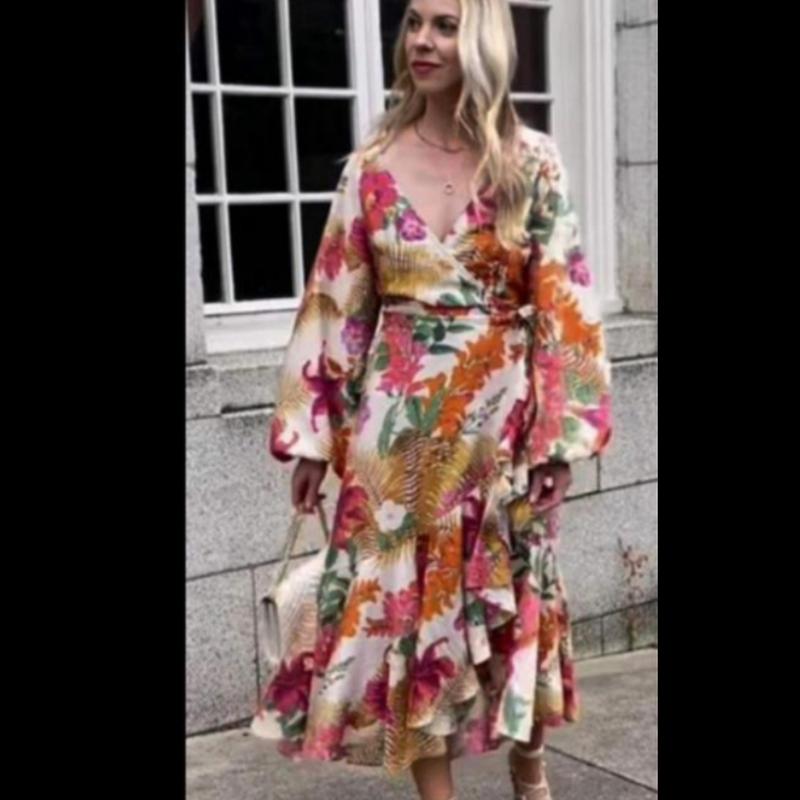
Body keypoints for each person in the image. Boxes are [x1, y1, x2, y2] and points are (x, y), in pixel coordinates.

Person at [252, 2, 612, 798]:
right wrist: (311, 436)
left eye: (446, 25)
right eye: (414, 21)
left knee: (517, 606)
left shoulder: (530, 163)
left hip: (502, 434)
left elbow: (565, 303)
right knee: (405, 624)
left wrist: (562, 439)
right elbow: (336, 303)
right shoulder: (371, 167)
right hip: (396, 442)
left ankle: (527, 758)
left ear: (483, 39)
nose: (421, 39)